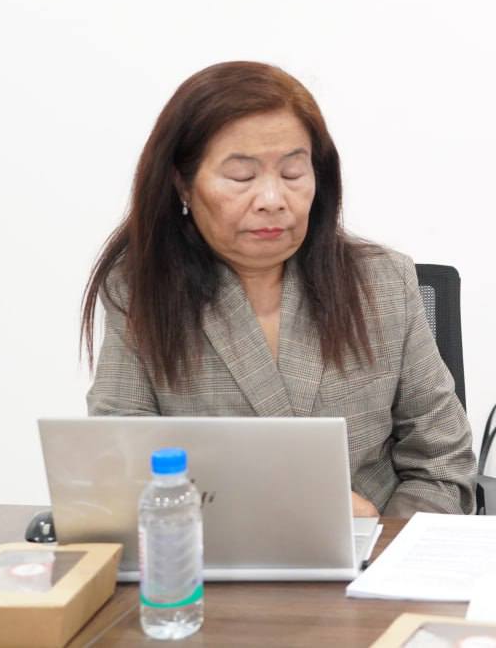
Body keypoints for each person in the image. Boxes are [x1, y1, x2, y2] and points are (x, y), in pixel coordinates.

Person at [82, 61, 474, 517]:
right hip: (211, 551)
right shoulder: (141, 292)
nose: (272, 200)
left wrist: (381, 534)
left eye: (292, 174)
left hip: (371, 550)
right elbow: (122, 466)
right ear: (182, 184)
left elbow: (443, 464)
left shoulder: (383, 283)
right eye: (241, 177)